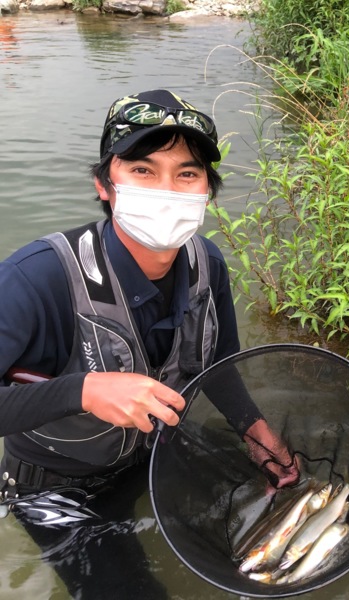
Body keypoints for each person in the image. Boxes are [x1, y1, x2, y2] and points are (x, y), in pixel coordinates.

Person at [0, 89, 299, 597]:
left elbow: (219, 359)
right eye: (142, 170)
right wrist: (85, 391)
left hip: (152, 453)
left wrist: (256, 430)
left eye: (187, 173)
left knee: (280, 509)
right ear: (105, 184)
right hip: (56, 485)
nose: (168, 188)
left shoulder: (208, 264)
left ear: (208, 190)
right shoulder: (36, 278)